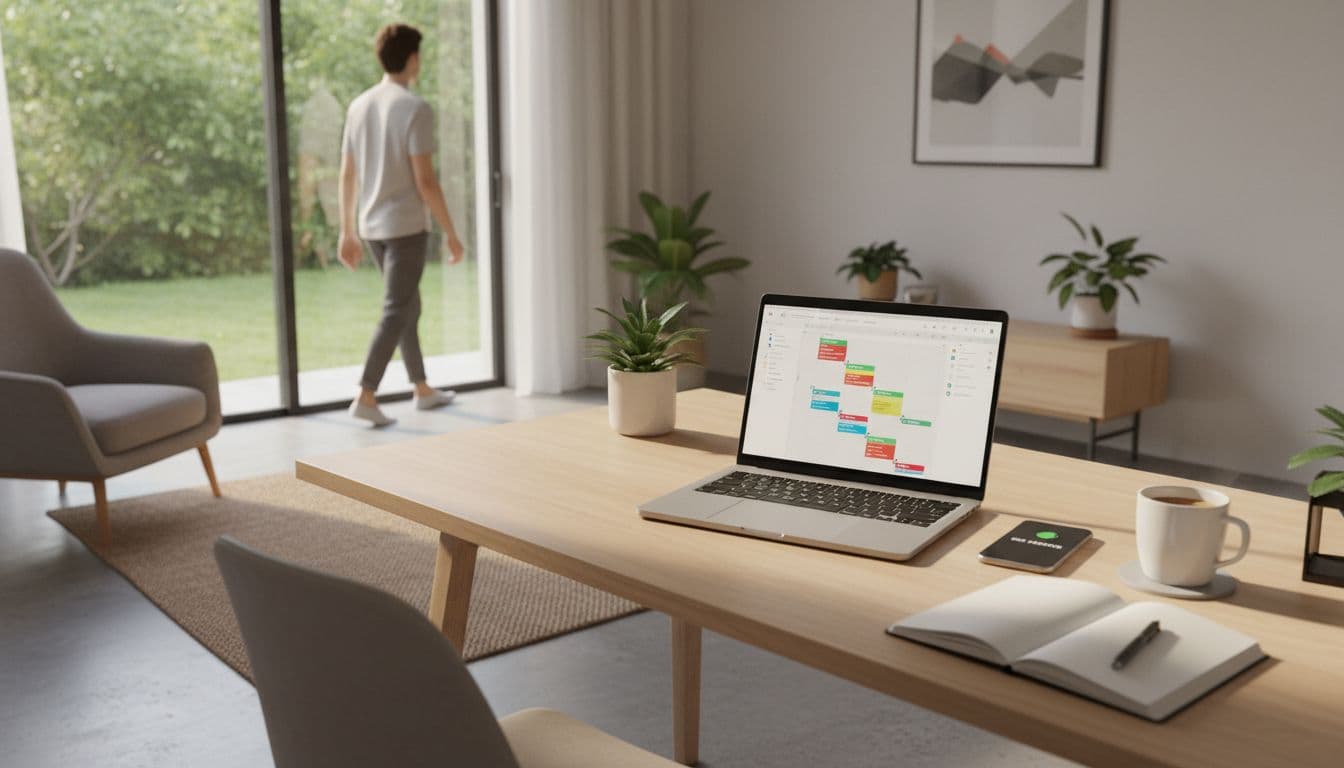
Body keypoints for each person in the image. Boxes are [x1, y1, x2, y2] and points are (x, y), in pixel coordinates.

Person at [338, 23, 465, 427]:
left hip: (372, 228)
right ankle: (365, 394)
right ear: (412, 58)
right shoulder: (415, 108)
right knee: (397, 309)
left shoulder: (359, 105)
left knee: (408, 304)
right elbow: (425, 180)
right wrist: (452, 233)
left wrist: (346, 230)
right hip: (406, 227)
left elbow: (347, 174)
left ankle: (422, 389)